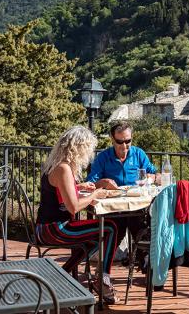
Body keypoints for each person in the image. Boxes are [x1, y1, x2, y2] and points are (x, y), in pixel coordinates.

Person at [35, 126, 119, 304]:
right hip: (54, 229)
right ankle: (101, 281)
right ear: (78, 148)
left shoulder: (56, 164)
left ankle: (61, 276)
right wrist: (95, 194)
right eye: (88, 148)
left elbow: (59, 192)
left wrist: (80, 187)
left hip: (46, 226)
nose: (89, 153)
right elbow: (73, 208)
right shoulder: (64, 169)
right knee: (110, 228)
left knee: (95, 239)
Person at [86, 121, 156, 263]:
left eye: (128, 141)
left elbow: (155, 174)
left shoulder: (138, 154)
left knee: (142, 228)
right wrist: (103, 182)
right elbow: (91, 183)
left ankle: (145, 264)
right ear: (112, 139)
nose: (124, 145)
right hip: (114, 207)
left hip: (136, 205)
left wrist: (151, 178)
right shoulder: (103, 157)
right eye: (120, 141)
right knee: (117, 229)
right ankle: (105, 268)